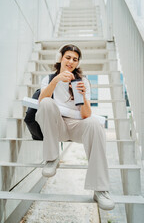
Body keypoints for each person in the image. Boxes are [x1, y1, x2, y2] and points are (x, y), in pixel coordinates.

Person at [36, 44, 115, 211]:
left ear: (77, 63)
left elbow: (86, 115)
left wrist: (83, 95)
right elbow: (41, 101)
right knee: (47, 103)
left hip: (77, 126)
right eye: (68, 57)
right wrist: (57, 80)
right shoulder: (49, 79)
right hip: (56, 125)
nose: (71, 62)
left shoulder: (82, 81)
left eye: (75, 59)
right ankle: (51, 158)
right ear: (60, 59)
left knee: (95, 123)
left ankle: (100, 188)